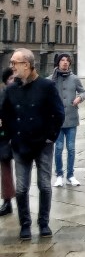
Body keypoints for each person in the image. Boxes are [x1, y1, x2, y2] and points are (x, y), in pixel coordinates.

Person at [0, 49, 64, 240]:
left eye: (14, 63)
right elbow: (3, 114)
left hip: (43, 144)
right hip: (20, 145)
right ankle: (25, 224)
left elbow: (58, 113)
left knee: (44, 185)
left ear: (26, 65)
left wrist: (50, 137)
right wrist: (10, 137)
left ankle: (43, 223)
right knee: (21, 188)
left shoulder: (46, 86)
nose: (12, 67)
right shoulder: (10, 90)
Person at [51, 53, 85, 188]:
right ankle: (59, 175)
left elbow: (83, 92)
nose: (65, 62)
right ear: (58, 63)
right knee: (59, 148)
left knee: (71, 148)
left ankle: (70, 175)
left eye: (67, 60)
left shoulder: (74, 78)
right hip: (57, 120)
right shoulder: (51, 79)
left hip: (71, 118)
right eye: (62, 60)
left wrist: (80, 98)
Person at [0, 68, 16, 216]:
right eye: (10, 78)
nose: (13, 81)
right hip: (5, 137)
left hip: (23, 137)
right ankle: (7, 201)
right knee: (5, 170)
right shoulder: (3, 94)